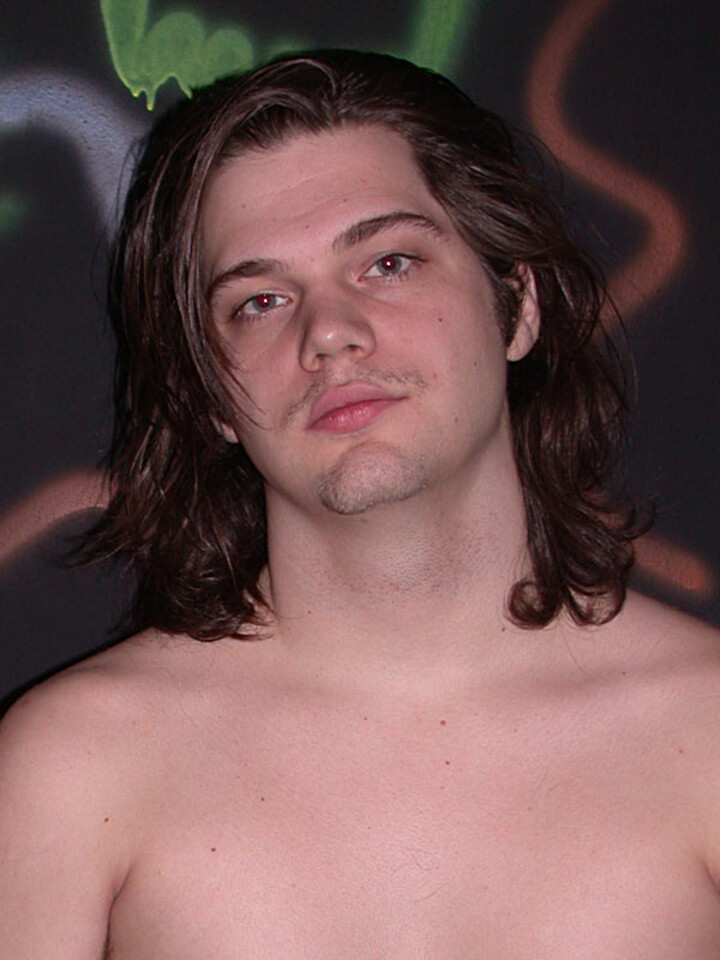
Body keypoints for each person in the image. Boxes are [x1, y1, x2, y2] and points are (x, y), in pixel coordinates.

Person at [1, 49, 719, 959]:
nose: (330, 332)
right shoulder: (75, 768)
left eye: (389, 262)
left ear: (517, 306)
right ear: (210, 394)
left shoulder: (705, 732)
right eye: (261, 300)